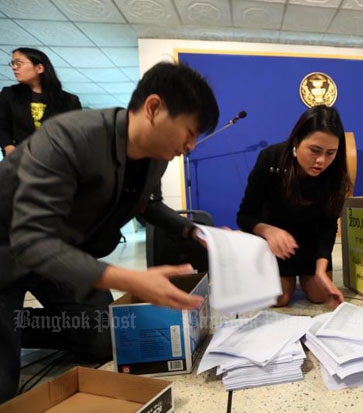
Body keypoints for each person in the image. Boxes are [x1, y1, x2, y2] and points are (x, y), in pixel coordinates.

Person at [0, 62, 219, 403]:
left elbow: (146, 205)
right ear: (154, 108)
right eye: (189, 132)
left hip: (63, 253)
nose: (191, 146)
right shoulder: (68, 137)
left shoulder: (156, 155)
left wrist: (192, 231)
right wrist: (131, 280)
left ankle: (18, 326)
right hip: (9, 250)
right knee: (2, 387)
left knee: (106, 339)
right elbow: (31, 240)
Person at [237, 105, 351, 309]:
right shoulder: (270, 159)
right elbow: (245, 215)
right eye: (315, 150)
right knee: (279, 300)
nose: (321, 161)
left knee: (320, 296)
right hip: (277, 245)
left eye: (330, 153)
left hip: (310, 242)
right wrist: (268, 231)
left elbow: (328, 226)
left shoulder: (334, 173)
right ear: (297, 141)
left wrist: (320, 270)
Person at [0, 47, 81, 157]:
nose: (14, 68)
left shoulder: (69, 100)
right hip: (20, 160)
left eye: (18, 63)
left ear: (39, 68)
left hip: (56, 162)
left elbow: (75, 134)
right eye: (12, 64)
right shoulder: (9, 94)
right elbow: (2, 126)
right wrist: (9, 147)